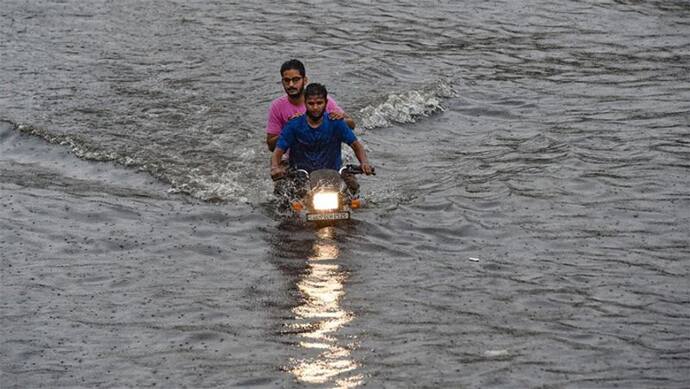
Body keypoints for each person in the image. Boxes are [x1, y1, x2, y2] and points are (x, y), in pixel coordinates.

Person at [270, 83, 373, 196]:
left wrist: (364, 163)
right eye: (311, 103)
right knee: (283, 194)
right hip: (301, 176)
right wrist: (275, 167)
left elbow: (356, 145)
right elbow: (278, 151)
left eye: (319, 103)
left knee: (353, 191)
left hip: (333, 175)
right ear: (305, 103)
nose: (315, 107)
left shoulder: (336, 123)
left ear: (326, 103)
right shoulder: (293, 125)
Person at [265, 59, 355, 152]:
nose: (291, 84)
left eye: (296, 80)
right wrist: (291, 128)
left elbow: (351, 124)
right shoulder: (277, 106)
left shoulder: (320, 101)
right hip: (292, 157)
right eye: (287, 80)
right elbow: (271, 146)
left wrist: (338, 119)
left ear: (305, 80)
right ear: (282, 81)